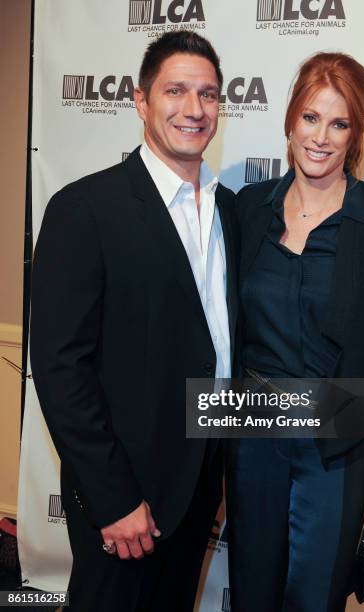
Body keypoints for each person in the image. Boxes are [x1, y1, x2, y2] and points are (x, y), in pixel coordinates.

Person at [30, 30, 238, 612]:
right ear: (141, 101)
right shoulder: (84, 209)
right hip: (125, 493)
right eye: (176, 91)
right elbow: (59, 367)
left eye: (208, 94)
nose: (193, 109)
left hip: (200, 481)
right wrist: (114, 497)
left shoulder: (231, 213)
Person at [226, 52, 364, 612]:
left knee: (315, 599)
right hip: (252, 431)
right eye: (311, 118)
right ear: (289, 120)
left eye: (339, 123)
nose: (321, 137)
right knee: (253, 592)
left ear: (355, 133)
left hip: (340, 438)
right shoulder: (246, 208)